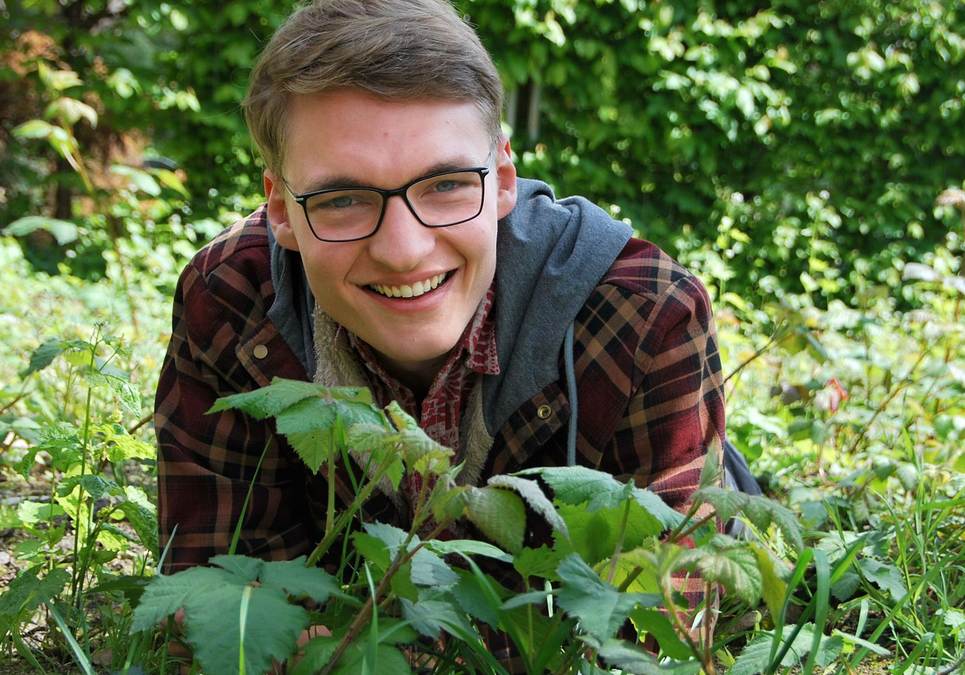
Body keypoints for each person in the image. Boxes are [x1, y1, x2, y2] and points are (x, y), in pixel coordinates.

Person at [155, 0, 757, 665]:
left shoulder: (641, 315)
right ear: (281, 212)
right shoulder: (231, 303)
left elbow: (661, 629)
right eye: (343, 199)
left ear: (502, 178)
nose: (404, 251)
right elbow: (212, 600)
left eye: (444, 184)